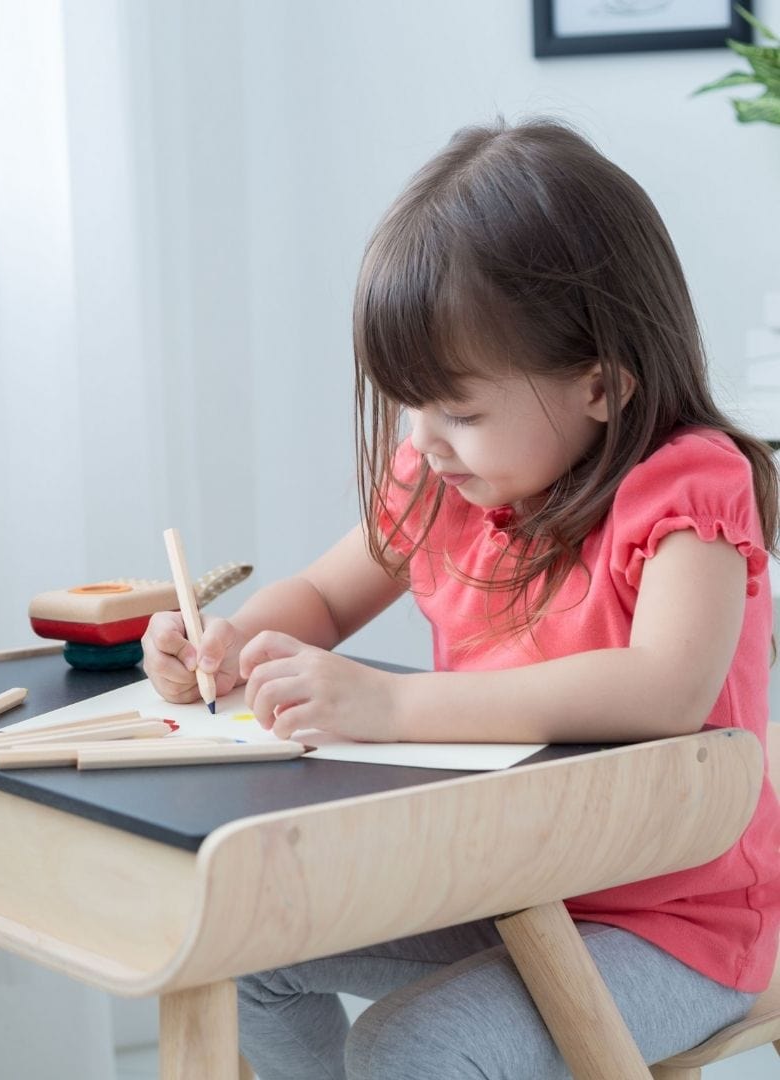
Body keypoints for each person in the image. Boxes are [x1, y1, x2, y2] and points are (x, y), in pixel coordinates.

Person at [141, 118, 780, 1079]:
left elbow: (664, 691)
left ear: (600, 385)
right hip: (503, 877)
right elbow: (322, 593)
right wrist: (230, 642)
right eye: (414, 405)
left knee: (411, 1050)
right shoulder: (447, 480)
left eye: (462, 411)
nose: (427, 440)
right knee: (236, 953)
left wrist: (391, 704)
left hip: (674, 919)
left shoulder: (691, 486)